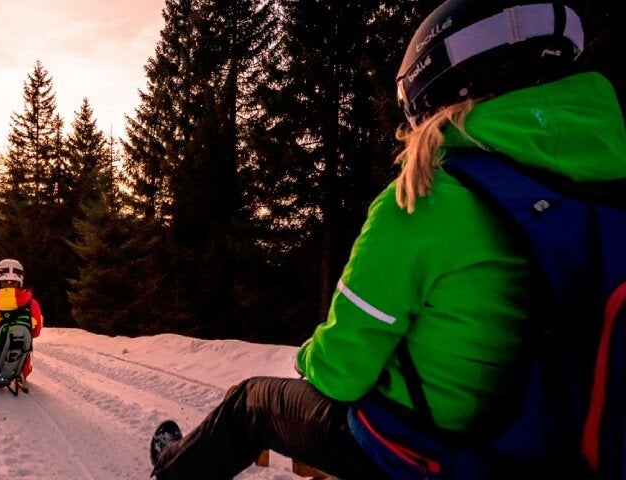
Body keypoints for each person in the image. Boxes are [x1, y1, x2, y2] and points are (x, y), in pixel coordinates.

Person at [150, 0, 626, 478]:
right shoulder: (606, 190)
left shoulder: (429, 197)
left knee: (248, 405)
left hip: (425, 452)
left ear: (434, 91)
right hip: (559, 452)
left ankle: (172, 468)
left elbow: (339, 371)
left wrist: (312, 358)